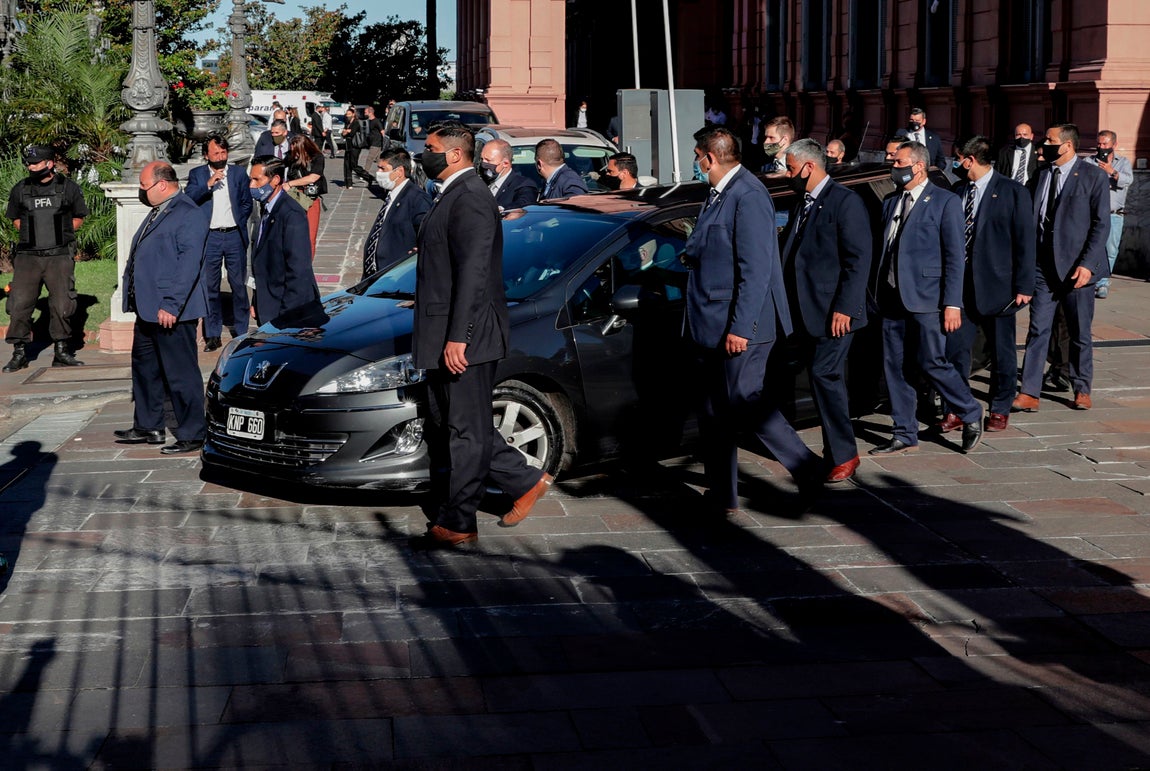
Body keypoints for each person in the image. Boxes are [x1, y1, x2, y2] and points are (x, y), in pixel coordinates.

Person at [410, 121, 553, 549]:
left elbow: (474, 274)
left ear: (454, 154)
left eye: (431, 147)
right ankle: (525, 480)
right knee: (452, 420)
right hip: (444, 330)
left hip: (466, 336)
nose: (424, 153)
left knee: (465, 433)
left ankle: (459, 522)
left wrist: (460, 336)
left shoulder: (470, 197)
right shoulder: (453, 193)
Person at [684, 126, 822, 514]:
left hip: (742, 325)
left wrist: (741, 327)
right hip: (709, 322)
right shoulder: (718, 193)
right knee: (714, 412)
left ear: (710, 158)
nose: (696, 163)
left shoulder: (748, 195)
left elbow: (757, 269)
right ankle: (723, 492)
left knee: (745, 401)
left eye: (697, 156)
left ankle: (807, 468)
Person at [869, 141, 982, 455]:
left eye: (900, 161)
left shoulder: (944, 202)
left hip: (928, 299)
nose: (894, 166)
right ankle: (904, 432)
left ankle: (970, 411)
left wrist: (952, 303)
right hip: (891, 297)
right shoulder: (891, 200)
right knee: (895, 366)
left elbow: (954, 257)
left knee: (932, 362)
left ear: (918, 166)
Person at [780, 139, 873, 482]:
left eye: (790, 168)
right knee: (815, 376)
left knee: (825, 374)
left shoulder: (845, 202)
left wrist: (845, 307)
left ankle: (845, 454)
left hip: (835, 312)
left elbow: (858, 260)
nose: (786, 174)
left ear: (809, 167)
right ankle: (833, 450)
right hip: (804, 310)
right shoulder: (801, 202)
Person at [1013, 124, 1111, 413]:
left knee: (1079, 331)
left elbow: (1101, 224)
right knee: (1038, 329)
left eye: (1050, 140)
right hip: (1043, 268)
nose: (1045, 144)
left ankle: (1082, 388)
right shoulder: (1041, 175)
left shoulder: (1093, 176)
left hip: (1076, 270)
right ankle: (1029, 392)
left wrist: (1087, 265)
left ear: (1067, 145)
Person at [114, 161, 209, 455]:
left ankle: (193, 432)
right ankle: (148, 425)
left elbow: (188, 265)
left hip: (172, 312)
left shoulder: (187, 213)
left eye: (144, 187)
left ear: (162, 185)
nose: (141, 192)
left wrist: (172, 303)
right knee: (145, 370)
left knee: (180, 374)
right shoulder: (159, 211)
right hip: (148, 310)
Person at [943, 136, 1034, 433]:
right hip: (961, 288)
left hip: (999, 287)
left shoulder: (1012, 191)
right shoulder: (957, 191)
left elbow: (1025, 240)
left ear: (969, 159)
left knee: (1002, 351)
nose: (956, 164)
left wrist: (1025, 285)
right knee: (955, 350)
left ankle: (1000, 406)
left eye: (958, 158)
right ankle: (956, 408)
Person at [3, 144, 88, 372]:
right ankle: (19, 353)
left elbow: (79, 217)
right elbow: (15, 219)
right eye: (29, 163)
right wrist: (35, 236)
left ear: (49, 164)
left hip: (58, 256)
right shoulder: (20, 189)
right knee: (19, 304)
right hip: (28, 257)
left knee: (62, 304)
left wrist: (59, 234)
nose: (31, 167)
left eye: (35, 163)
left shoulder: (68, 188)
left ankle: (61, 352)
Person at [184, 134, 252, 352]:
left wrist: (239, 220)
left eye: (224, 153)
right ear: (207, 155)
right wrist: (208, 184)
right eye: (216, 153)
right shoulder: (198, 175)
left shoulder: (239, 174)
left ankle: (241, 331)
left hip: (233, 236)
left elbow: (246, 203)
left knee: (238, 286)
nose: (221, 157)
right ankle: (212, 334)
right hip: (210, 237)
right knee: (210, 287)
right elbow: (189, 199)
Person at [247, 156, 320, 325]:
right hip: (268, 304)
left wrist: (286, 316)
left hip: (284, 312)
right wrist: (257, 300)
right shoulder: (267, 207)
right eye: (251, 179)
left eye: (257, 180)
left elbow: (299, 271)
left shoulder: (291, 214)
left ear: (276, 180)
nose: (252, 185)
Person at [361, 146, 432, 280]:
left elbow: (426, 237)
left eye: (383, 168)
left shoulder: (417, 199)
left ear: (399, 171)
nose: (378, 173)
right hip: (376, 277)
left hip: (395, 277)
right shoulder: (392, 195)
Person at [1085, 129, 1133, 299]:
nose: (1101, 147)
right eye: (1099, 143)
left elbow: (1128, 180)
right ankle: (1089, 279)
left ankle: (1102, 282)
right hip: (1091, 214)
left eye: (1105, 144)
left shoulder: (1123, 162)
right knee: (1090, 246)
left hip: (1114, 213)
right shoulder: (1088, 161)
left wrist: (1112, 171)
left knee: (1110, 250)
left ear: (1114, 145)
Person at [282, 134, 327, 258]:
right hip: (293, 197)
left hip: (310, 199)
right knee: (292, 234)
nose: (294, 155)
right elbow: (279, 166)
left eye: (296, 152)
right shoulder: (291, 157)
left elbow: (314, 177)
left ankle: (307, 265)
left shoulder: (317, 157)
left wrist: (290, 183)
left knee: (310, 235)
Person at [478, 138, 537, 211]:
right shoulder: (480, 183)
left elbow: (525, 203)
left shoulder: (523, 185)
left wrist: (501, 209)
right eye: (482, 159)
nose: (484, 164)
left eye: (488, 160)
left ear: (505, 163)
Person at [997, 122, 1038, 195]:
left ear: (1031, 136)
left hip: (1030, 192)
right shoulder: (1004, 152)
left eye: (1025, 135)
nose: (1021, 137)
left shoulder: (1038, 153)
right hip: (1009, 191)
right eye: (1018, 135)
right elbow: (998, 172)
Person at [357, 105, 384, 184]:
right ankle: (382, 174)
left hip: (376, 143)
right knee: (379, 160)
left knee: (369, 159)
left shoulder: (376, 121)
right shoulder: (369, 121)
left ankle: (365, 174)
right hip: (373, 143)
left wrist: (384, 143)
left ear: (370, 112)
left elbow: (382, 132)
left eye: (365, 112)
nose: (364, 113)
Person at [340, 108, 362, 188]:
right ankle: (348, 183)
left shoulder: (356, 122)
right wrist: (346, 131)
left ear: (353, 114)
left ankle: (367, 177)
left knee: (353, 164)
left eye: (349, 114)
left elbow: (352, 132)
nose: (347, 115)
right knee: (346, 164)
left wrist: (347, 131)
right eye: (346, 114)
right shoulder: (347, 122)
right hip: (348, 145)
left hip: (355, 146)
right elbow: (343, 134)